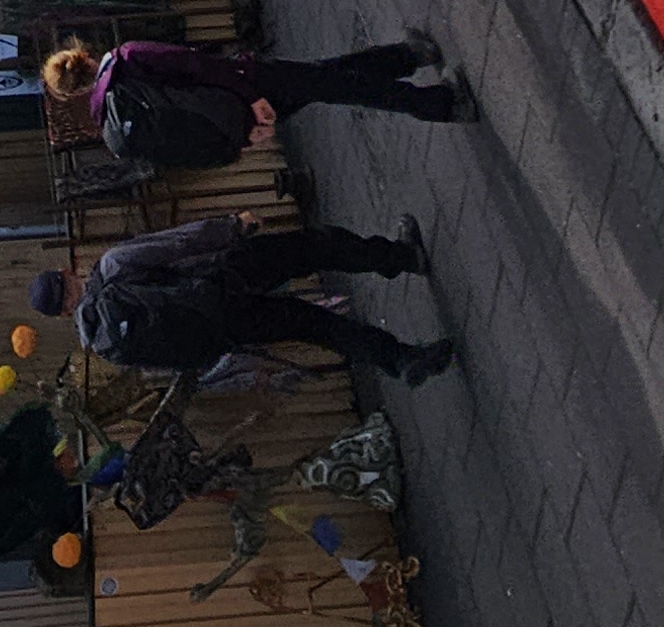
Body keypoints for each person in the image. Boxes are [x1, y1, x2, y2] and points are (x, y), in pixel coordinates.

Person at [75, 209, 456, 384]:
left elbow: (171, 362)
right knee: (312, 247)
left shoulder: (105, 346)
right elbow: (177, 244)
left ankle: (402, 358)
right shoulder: (110, 269)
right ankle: (402, 256)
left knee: (316, 326)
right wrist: (232, 227)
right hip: (224, 274)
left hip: (224, 329)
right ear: (67, 277)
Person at [43, 32, 464, 171]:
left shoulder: (115, 134)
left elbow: (183, 153)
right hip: (246, 86)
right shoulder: (128, 58)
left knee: (323, 77)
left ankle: (405, 56)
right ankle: (434, 102)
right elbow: (198, 66)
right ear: (82, 54)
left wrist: (243, 140)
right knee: (331, 84)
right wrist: (252, 93)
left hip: (236, 125)